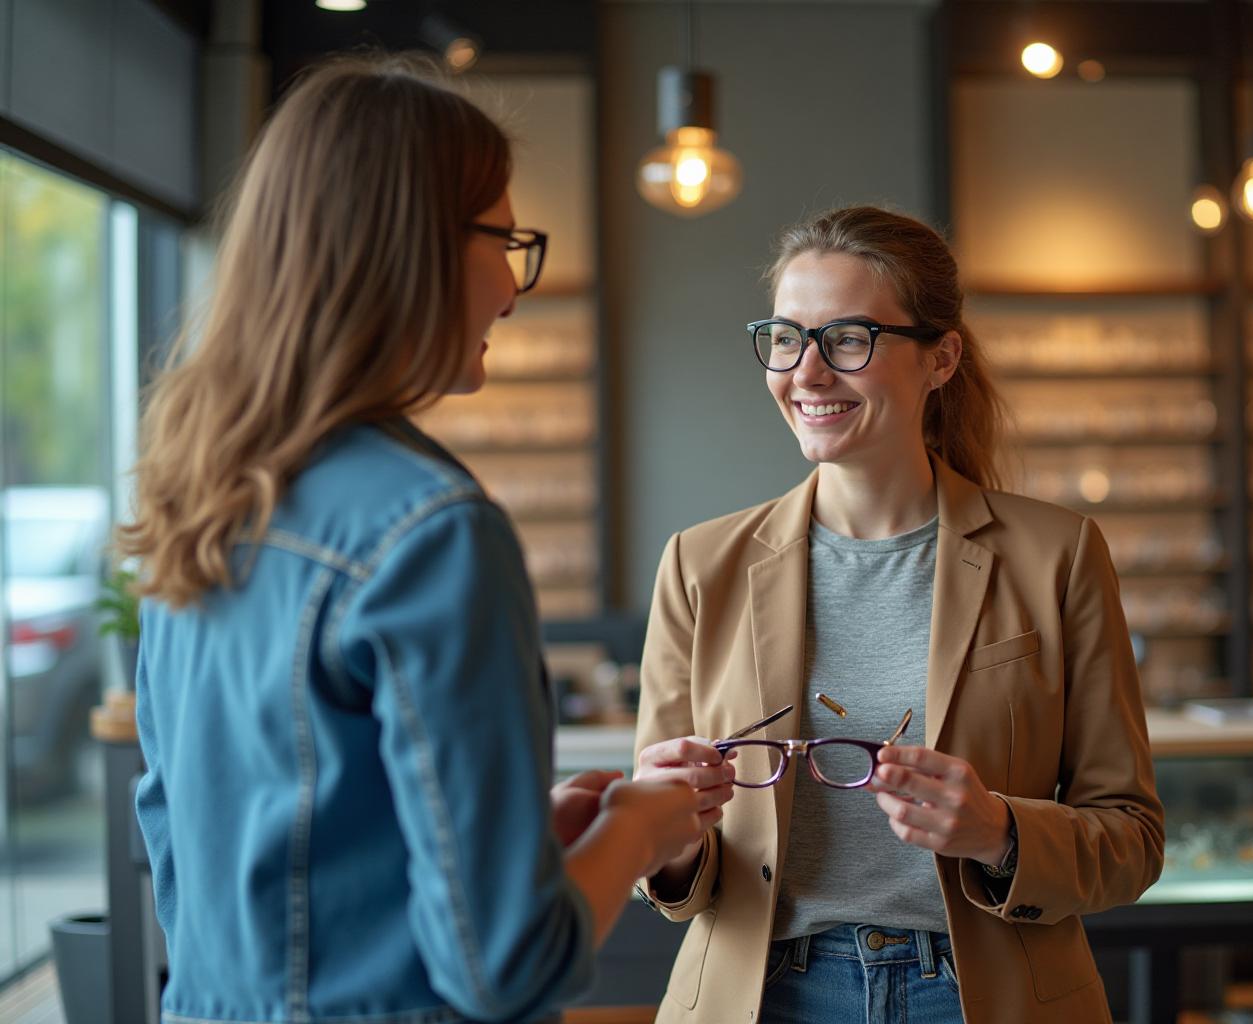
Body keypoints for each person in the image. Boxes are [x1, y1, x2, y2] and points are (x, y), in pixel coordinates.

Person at [119, 57, 707, 1024]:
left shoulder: (206, 496)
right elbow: (505, 967)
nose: (514, 293)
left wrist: (535, 848)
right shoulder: (432, 533)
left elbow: (199, 847)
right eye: (505, 242)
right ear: (415, 248)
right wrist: (639, 831)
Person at [632, 206, 1164, 1023]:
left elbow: (1131, 840)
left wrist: (1000, 831)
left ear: (941, 358)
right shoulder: (700, 566)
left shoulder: (1056, 555)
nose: (806, 372)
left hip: (985, 997)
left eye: (847, 339)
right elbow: (675, 868)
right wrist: (665, 831)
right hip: (764, 998)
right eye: (784, 337)